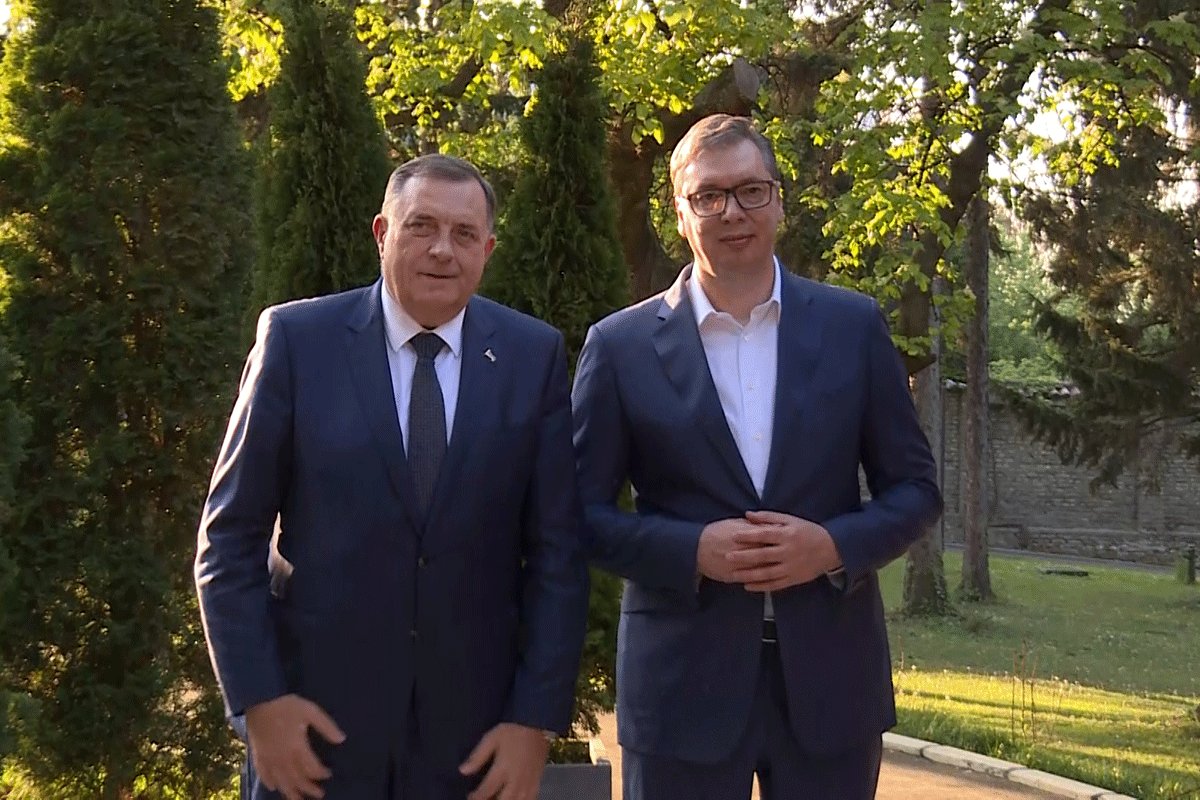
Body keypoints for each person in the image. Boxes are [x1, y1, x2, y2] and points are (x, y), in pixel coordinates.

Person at [571, 114, 943, 799]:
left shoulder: (853, 326)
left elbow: (916, 489)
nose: (732, 211)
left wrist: (831, 547)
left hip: (832, 683)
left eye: (750, 191)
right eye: (709, 196)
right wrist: (691, 551)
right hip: (680, 686)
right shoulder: (619, 347)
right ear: (679, 213)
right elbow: (578, 514)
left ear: (778, 201)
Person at [195, 154, 589, 800]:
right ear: (382, 233)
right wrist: (259, 703)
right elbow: (228, 540)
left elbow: (558, 558)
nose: (442, 250)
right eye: (421, 226)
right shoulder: (296, 342)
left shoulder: (531, 356)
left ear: (487, 249)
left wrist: (534, 722)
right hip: (311, 738)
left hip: (476, 748)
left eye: (464, 234)